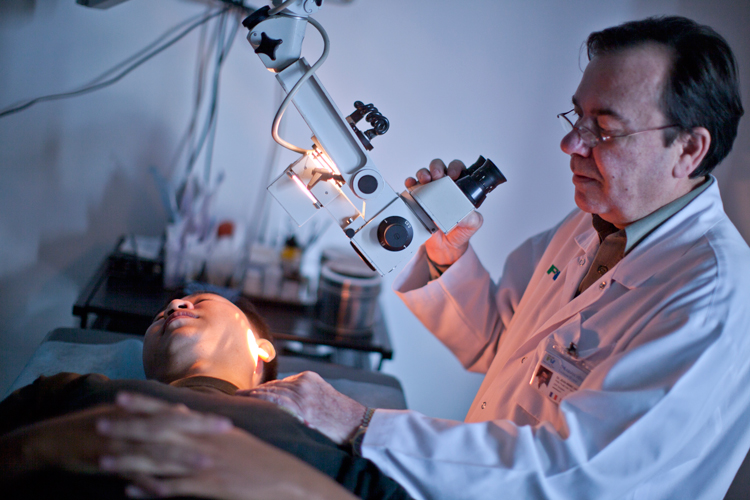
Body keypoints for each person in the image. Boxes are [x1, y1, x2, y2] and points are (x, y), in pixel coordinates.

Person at [244, 16, 750, 500]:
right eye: (577, 116)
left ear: (689, 149)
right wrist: (447, 256)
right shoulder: (596, 223)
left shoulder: (712, 300)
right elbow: (503, 345)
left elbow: (577, 472)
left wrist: (361, 424)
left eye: (603, 129)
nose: (570, 143)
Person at [0, 292, 411, 500]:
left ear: (261, 349)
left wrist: (295, 487)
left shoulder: (323, 442)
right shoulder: (74, 392)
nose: (175, 304)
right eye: (160, 315)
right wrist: (39, 447)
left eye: (202, 302)